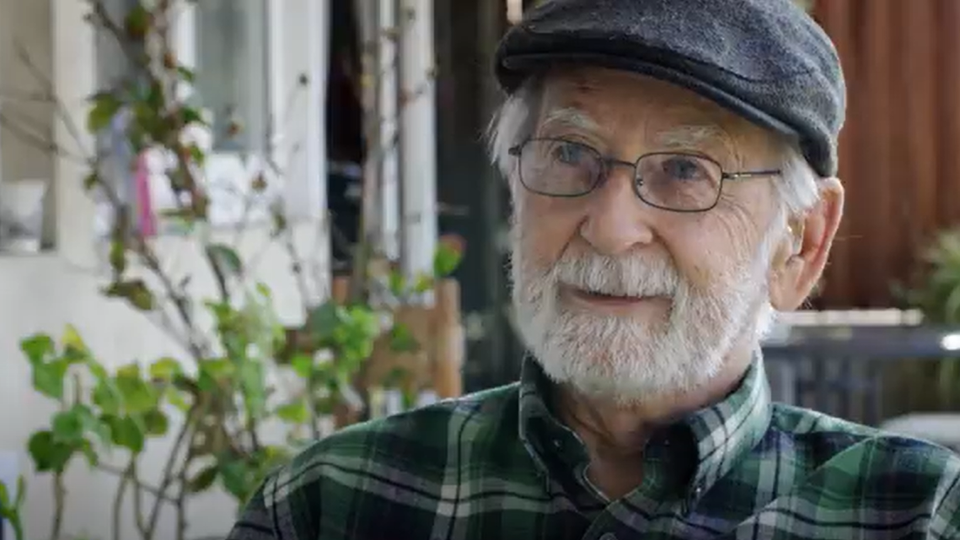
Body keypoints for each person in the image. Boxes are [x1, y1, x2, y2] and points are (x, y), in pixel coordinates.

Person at [226, 0, 960, 538]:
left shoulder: (914, 516)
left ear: (799, 242)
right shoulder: (331, 505)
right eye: (570, 153)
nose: (609, 230)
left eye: (684, 169)